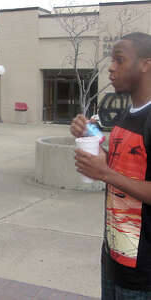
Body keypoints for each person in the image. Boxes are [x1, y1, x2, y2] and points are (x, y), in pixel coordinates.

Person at [71, 32, 151, 299]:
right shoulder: (126, 115)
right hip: (114, 258)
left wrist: (105, 173)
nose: (111, 68)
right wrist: (89, 138)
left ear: (145, 64)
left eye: (119, 60)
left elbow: (113, 173)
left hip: (144, 274)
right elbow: (122, 166)